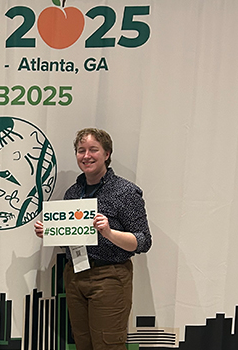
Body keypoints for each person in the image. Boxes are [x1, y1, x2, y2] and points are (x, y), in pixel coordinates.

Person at [34, 128, 152, 350]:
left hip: (109, 277)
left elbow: (143, 240)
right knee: (83, 344)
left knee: (108, 345)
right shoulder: (73, 192)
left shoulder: (125, 192)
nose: (86, 156)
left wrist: (109, 232)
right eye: (81, 151)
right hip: (75, 274)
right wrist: (51, 231)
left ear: (107, 154)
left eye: (93, 150)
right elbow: (69, 239)